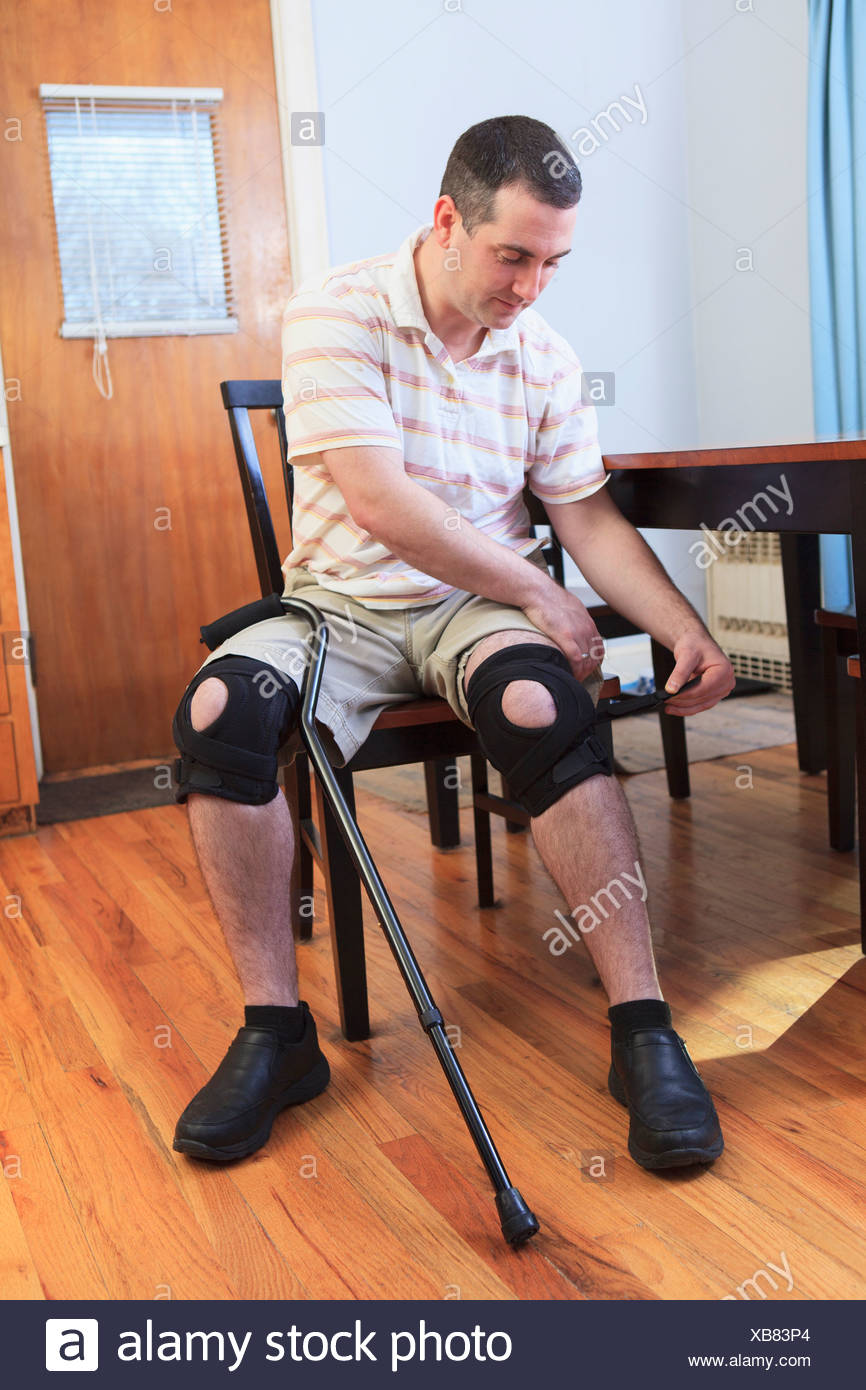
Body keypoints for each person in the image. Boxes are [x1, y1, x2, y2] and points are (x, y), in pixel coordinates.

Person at [171, 115, 735, 1173]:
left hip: (467, 616)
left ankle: (642, 1028)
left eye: (551, 262)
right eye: (512, 255)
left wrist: (681, 628)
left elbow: (587, 518)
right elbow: (380, 503)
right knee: (220, 713)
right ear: (447, 222)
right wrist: (543, 596)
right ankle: (274, 1033)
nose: (529, 286)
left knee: (544, 710)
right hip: (337, 604)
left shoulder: (543, 355)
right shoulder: (336, 312)